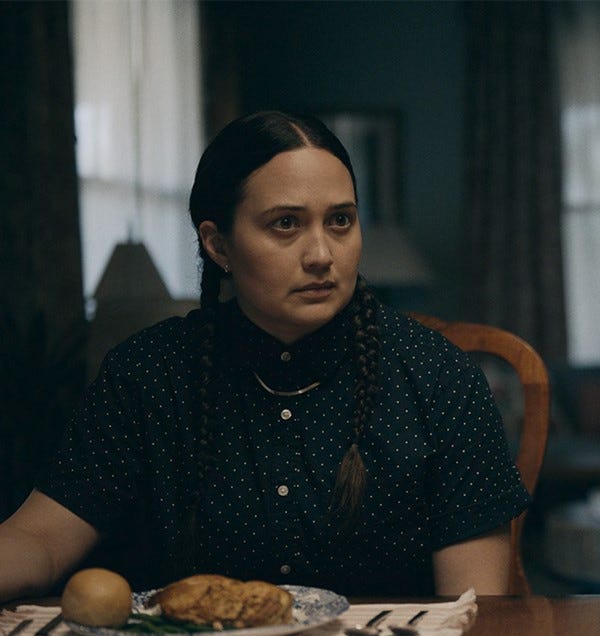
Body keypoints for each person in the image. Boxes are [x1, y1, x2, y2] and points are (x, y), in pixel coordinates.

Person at [0, 110, 529, 601]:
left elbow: (475, 609)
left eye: (340, 221)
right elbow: (41, 538)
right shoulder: (147, 374)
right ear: (218, 245)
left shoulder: (436, 377)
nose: (321, 255)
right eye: (285, 224)